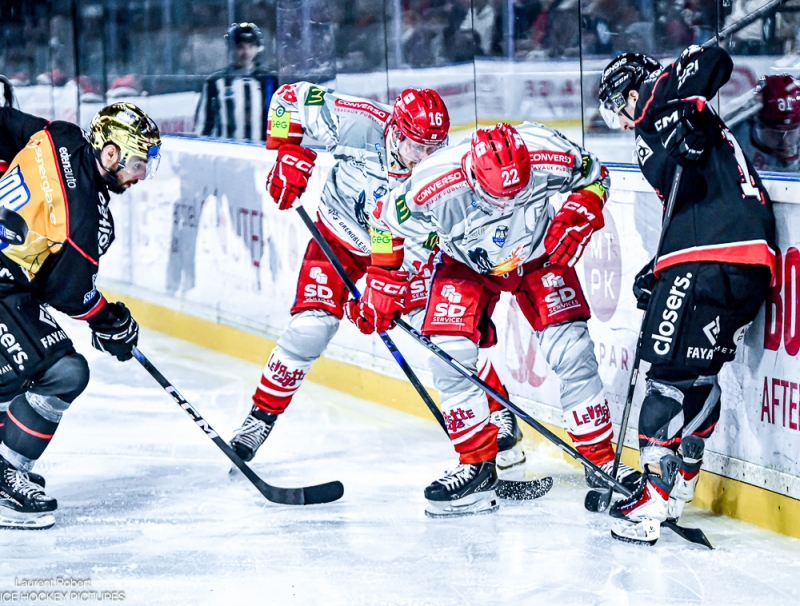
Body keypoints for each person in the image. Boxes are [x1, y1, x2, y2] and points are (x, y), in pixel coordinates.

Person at [348, 121, 640, 517]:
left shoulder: (547, 152)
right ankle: (476, 467)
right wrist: (383, 282)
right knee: (450, 357)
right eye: (497, 197)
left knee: (573, 352)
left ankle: (601, 462)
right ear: (470, 174)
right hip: (466, 263)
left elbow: (596, 175)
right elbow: (383, 222)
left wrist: (582, 207)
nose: (507, 206)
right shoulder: (432, 180)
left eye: (517, 193)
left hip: (539, 254)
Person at [598, 46, 776, 544]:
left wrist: (676, 106)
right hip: (746, 259)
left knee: (666, 377)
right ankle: (681, 484)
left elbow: (713, 58)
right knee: (699, 374)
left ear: (632, 91)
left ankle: (652, 498)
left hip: (710, 256)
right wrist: (657, 265)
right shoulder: (670, 117)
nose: (620, 119)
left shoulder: (658, 98)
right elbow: (695, 199)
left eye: (618, 106)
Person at [0, 102, 161, 529]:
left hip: (9, 283)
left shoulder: (61, 135)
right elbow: (69, 294)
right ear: (109, 154)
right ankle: (4, 476)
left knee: (23, 370)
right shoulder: (85, 217)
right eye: (138, 163)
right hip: (3, 286)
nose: (141, 175)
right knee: (65, 372)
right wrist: (110, 322)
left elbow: (5, 123)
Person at [194, 23, 278, 142]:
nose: (246, 52)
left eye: (251, 46)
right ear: (231, 48)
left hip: (262, 153)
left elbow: (281, 115)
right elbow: (204, 124)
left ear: (258, 48)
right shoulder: (215, 82)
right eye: (240, 47)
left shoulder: (271, 80)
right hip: (229, 155)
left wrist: (279, 145)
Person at [730, 74, 800, 173]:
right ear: (756, 123)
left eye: (791, 133)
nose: (784, 142)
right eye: (776, 133)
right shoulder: (734, 136)